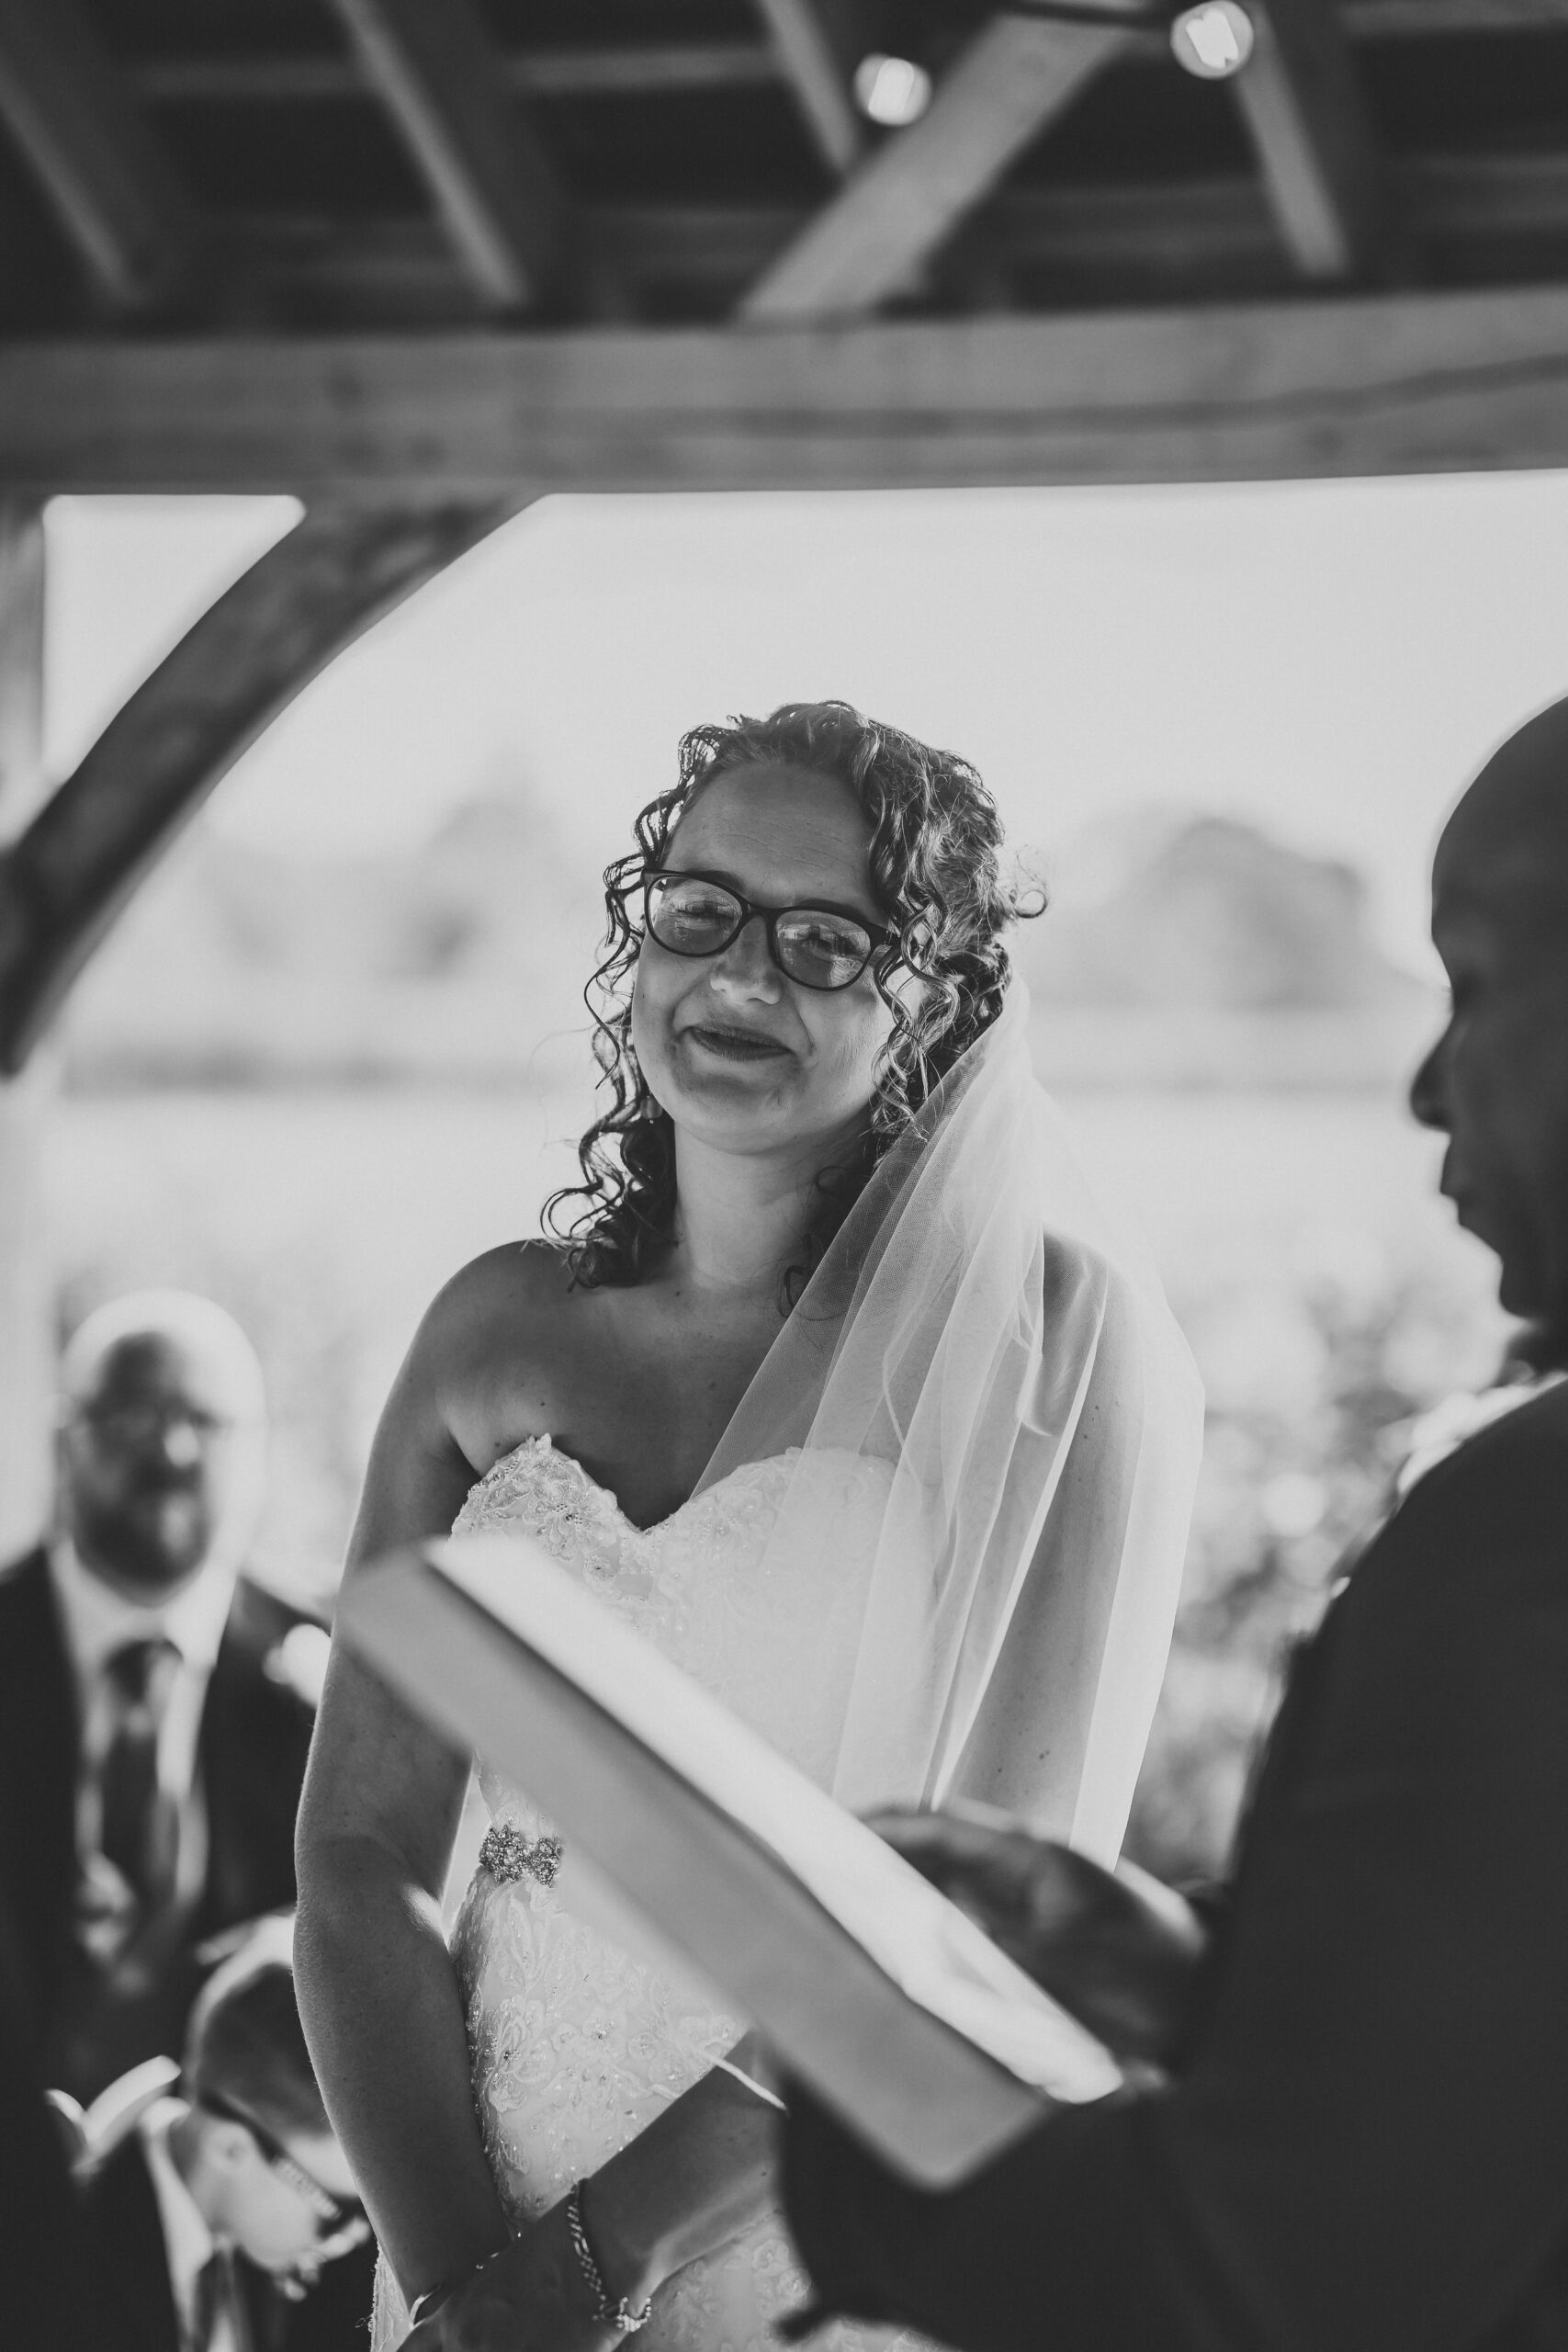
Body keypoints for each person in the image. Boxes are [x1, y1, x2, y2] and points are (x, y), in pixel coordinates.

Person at [294, 701, 1203, 2352]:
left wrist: (588, 2275)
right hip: (463, 2223)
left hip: (816, 2229)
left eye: (824, 942)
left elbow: (975, 1921)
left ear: (935, 1000)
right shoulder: (490, 1332)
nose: (737, 978)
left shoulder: (1040, 1350)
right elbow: (359, 1855)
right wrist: (457, 2285)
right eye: (699, 909)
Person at [777, 696, 1568, 2350]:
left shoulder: (1525, 1533)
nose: (1426, 1090)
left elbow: (1260, 2287)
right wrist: (1204, 1984)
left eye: (1479, 981)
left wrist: (853, 2132)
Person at [0, 1289, 331, 2100]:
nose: (172, 1449)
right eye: (132, 1416)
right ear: (62, 1440)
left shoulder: (336, 1668)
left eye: (205, 1421)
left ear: (257, 1450)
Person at [81, 1920, 375, 2351]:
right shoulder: (72, 2249)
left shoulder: (266, 2249)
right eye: (338, 2211)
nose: (354, 2237)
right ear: (230, 2148)